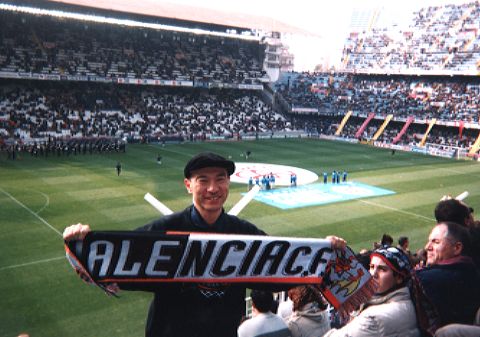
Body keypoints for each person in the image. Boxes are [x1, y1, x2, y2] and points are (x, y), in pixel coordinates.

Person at [63, 152, 347, 337]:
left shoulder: (245, 233)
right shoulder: (163, 230)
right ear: (188, 185)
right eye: (203, 180)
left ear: (229, 183)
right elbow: (119, 261)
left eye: (220, 179)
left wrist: (324, 251)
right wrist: (83, 242)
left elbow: (279, 272)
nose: (213, 188)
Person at [323, 246, 420, 337]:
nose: (373, 274)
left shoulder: (375, 318)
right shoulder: (401, 301)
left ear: (399, 277)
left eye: (382, 269)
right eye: (372, 267)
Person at [412, 222, 480, 334]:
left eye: (436, 242)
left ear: (457, 248)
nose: (427, 247)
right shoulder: (470, 269)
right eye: (429, 241)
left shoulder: (427, 277)